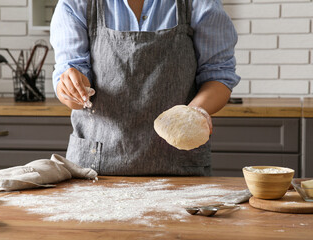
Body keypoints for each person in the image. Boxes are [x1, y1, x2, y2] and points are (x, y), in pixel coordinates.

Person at [50, 0, 240, 176]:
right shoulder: (76, 3)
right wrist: (72, 88)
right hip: (93, 169)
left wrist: (194, 113)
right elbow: (71, 79)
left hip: (180, 168)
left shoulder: (198, 3)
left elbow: (218, 75)